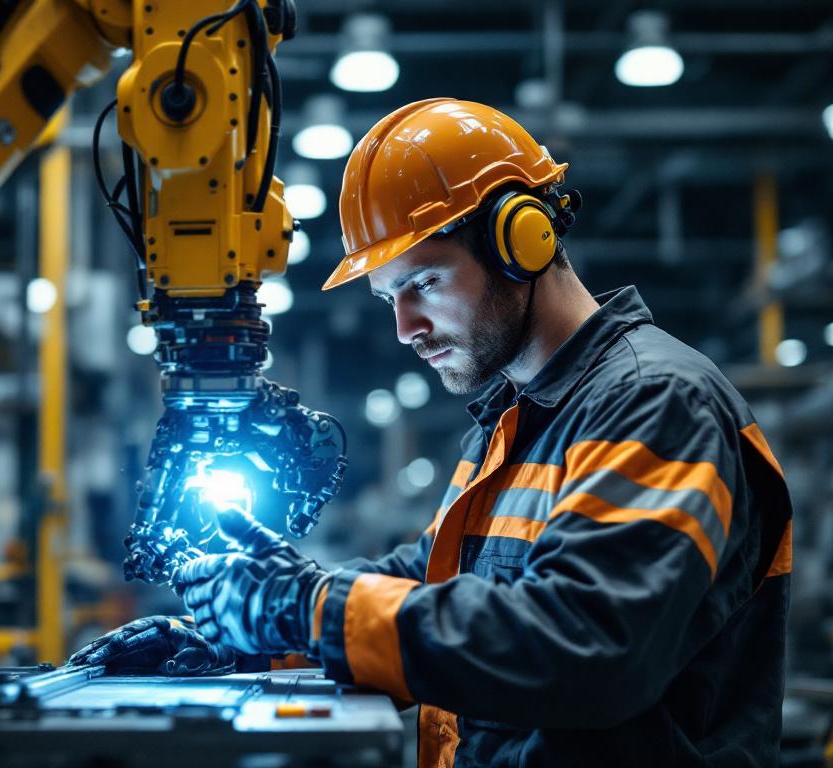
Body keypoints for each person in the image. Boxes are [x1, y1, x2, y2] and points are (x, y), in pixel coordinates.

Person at [77, 99, 794, 767]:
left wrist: (305, 606)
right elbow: (428, 584)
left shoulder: (655, 402)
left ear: (523, 239)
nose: (405, 330)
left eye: (421, 283)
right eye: (390, 298)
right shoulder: (517, 421)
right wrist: (249, 633)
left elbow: (586, 646)